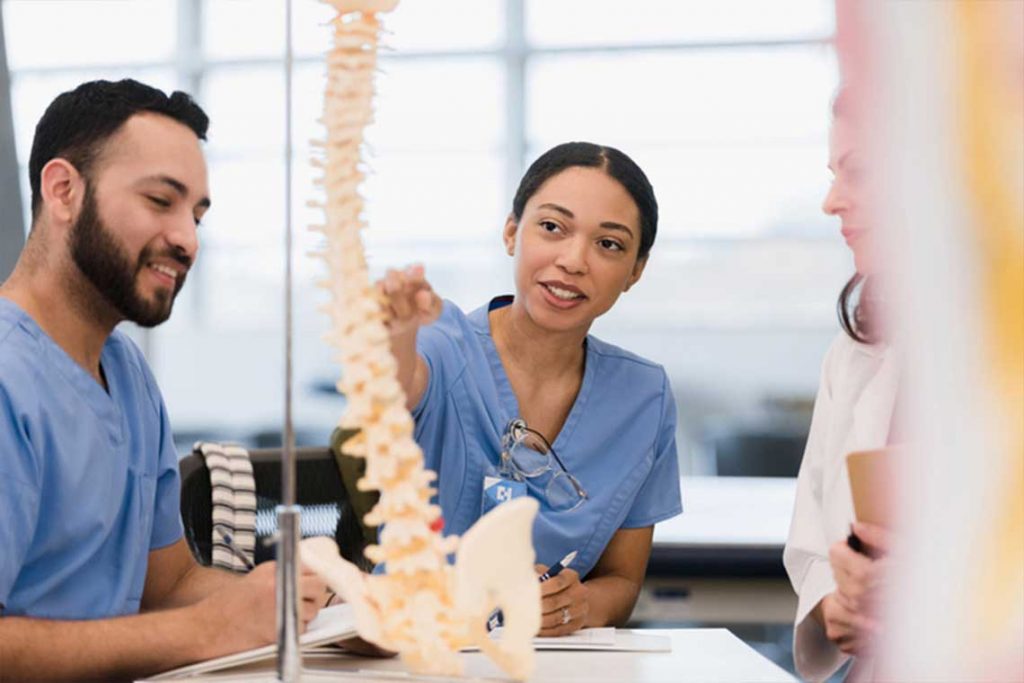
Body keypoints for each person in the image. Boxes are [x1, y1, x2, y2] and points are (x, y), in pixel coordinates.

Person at [0, 79, 325, 681]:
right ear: (63, 190)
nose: (187, 239)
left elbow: (167, 583)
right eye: (160, 201)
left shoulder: (126, 374)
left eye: (197, 214)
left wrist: (296, 602)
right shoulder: (9, 378)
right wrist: (207, 631)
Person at [379, 141, 682, 637]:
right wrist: (395, 332)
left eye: (609, 244)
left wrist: (578, 604)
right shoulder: (442, 344)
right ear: (511, 232)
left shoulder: (643, 397)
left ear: (635, 271)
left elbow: (622, 582)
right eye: (552, 227)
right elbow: (398, 390)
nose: (573, 260)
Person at [783, 90, 896, 682]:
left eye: (861, 172)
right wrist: (843, 603)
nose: (831, 202)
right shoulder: (857, 352)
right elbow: (813, 538)